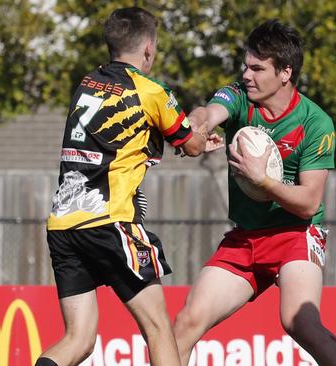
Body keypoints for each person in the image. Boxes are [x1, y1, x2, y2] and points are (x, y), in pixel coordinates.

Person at [36, 7, 219, 366]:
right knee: (159, 329)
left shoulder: (87, 83)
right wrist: (199, 133)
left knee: (79, 339)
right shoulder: (150, 92)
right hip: (110, 221)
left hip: (63, 224)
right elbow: (191, 144)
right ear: (149, 48)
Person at [172, 19, 336, 366]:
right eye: (245, 65)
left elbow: (308, 202)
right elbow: (209, 111)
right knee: (184, 325)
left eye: (257, 68)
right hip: (247, 237)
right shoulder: (240, 98)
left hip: (297, 234)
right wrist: (198, 125)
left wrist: (265, 182)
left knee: (300, 323)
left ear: (285, 72)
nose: (246, 74)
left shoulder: (315, 122)